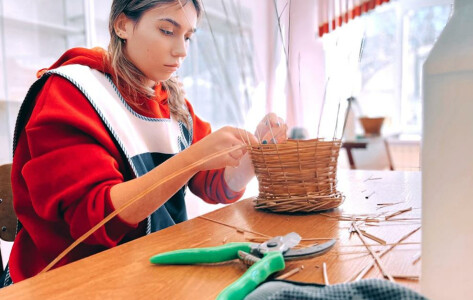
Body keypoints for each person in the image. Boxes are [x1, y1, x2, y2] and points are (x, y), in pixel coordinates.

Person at [1, 0, 287, 286]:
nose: (181, 51)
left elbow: (214, 185)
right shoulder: (70, 93)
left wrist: (252, 158)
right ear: (122, 25)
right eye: (166, 31)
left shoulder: (172, 102)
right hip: (65, 281)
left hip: (146, 267)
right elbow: (94, 221)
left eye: (187, 36)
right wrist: (192, 160)